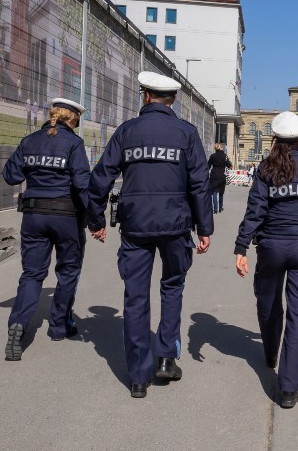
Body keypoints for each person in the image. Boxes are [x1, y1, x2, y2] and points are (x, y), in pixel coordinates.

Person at [91, 71, 214, 399]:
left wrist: (95, 220)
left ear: (144, 96)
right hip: (176, 225)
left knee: (136, 297)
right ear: (172, 99)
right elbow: (199, 184)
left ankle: (138, 377)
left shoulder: (127, 132)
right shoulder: (186, 134)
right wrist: (205, 229)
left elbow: (101, 177)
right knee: (172, 288)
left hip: (135, 226)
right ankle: (164, 358)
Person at [234, 111, 298, 410]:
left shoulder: (266, 168)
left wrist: (241, 247)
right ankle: (289, 389)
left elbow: (255, 211)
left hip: (271, 247)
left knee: (268, 302)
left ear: (276, 139)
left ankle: (270, 354)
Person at [2, 98, 105, 360]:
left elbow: (11, 175)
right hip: (66, 217)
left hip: (34, 216)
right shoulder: (73, 143)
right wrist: (96, 222)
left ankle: (18, 324)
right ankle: (58, 326)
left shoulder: (29, 141)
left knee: (32, 274)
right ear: (72, 120)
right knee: (68, 271)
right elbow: (83, 185)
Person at [208, 143, 232, 214]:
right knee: (221, 192)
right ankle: (220, 207)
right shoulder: (225, 156)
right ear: (221, 148)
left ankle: (215, 208)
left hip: (214, 175)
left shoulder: (212, 156)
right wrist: (229, 164)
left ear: (215, 148)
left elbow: (208, 165)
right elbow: (229, 166)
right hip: (222, 175)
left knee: (215, 191)